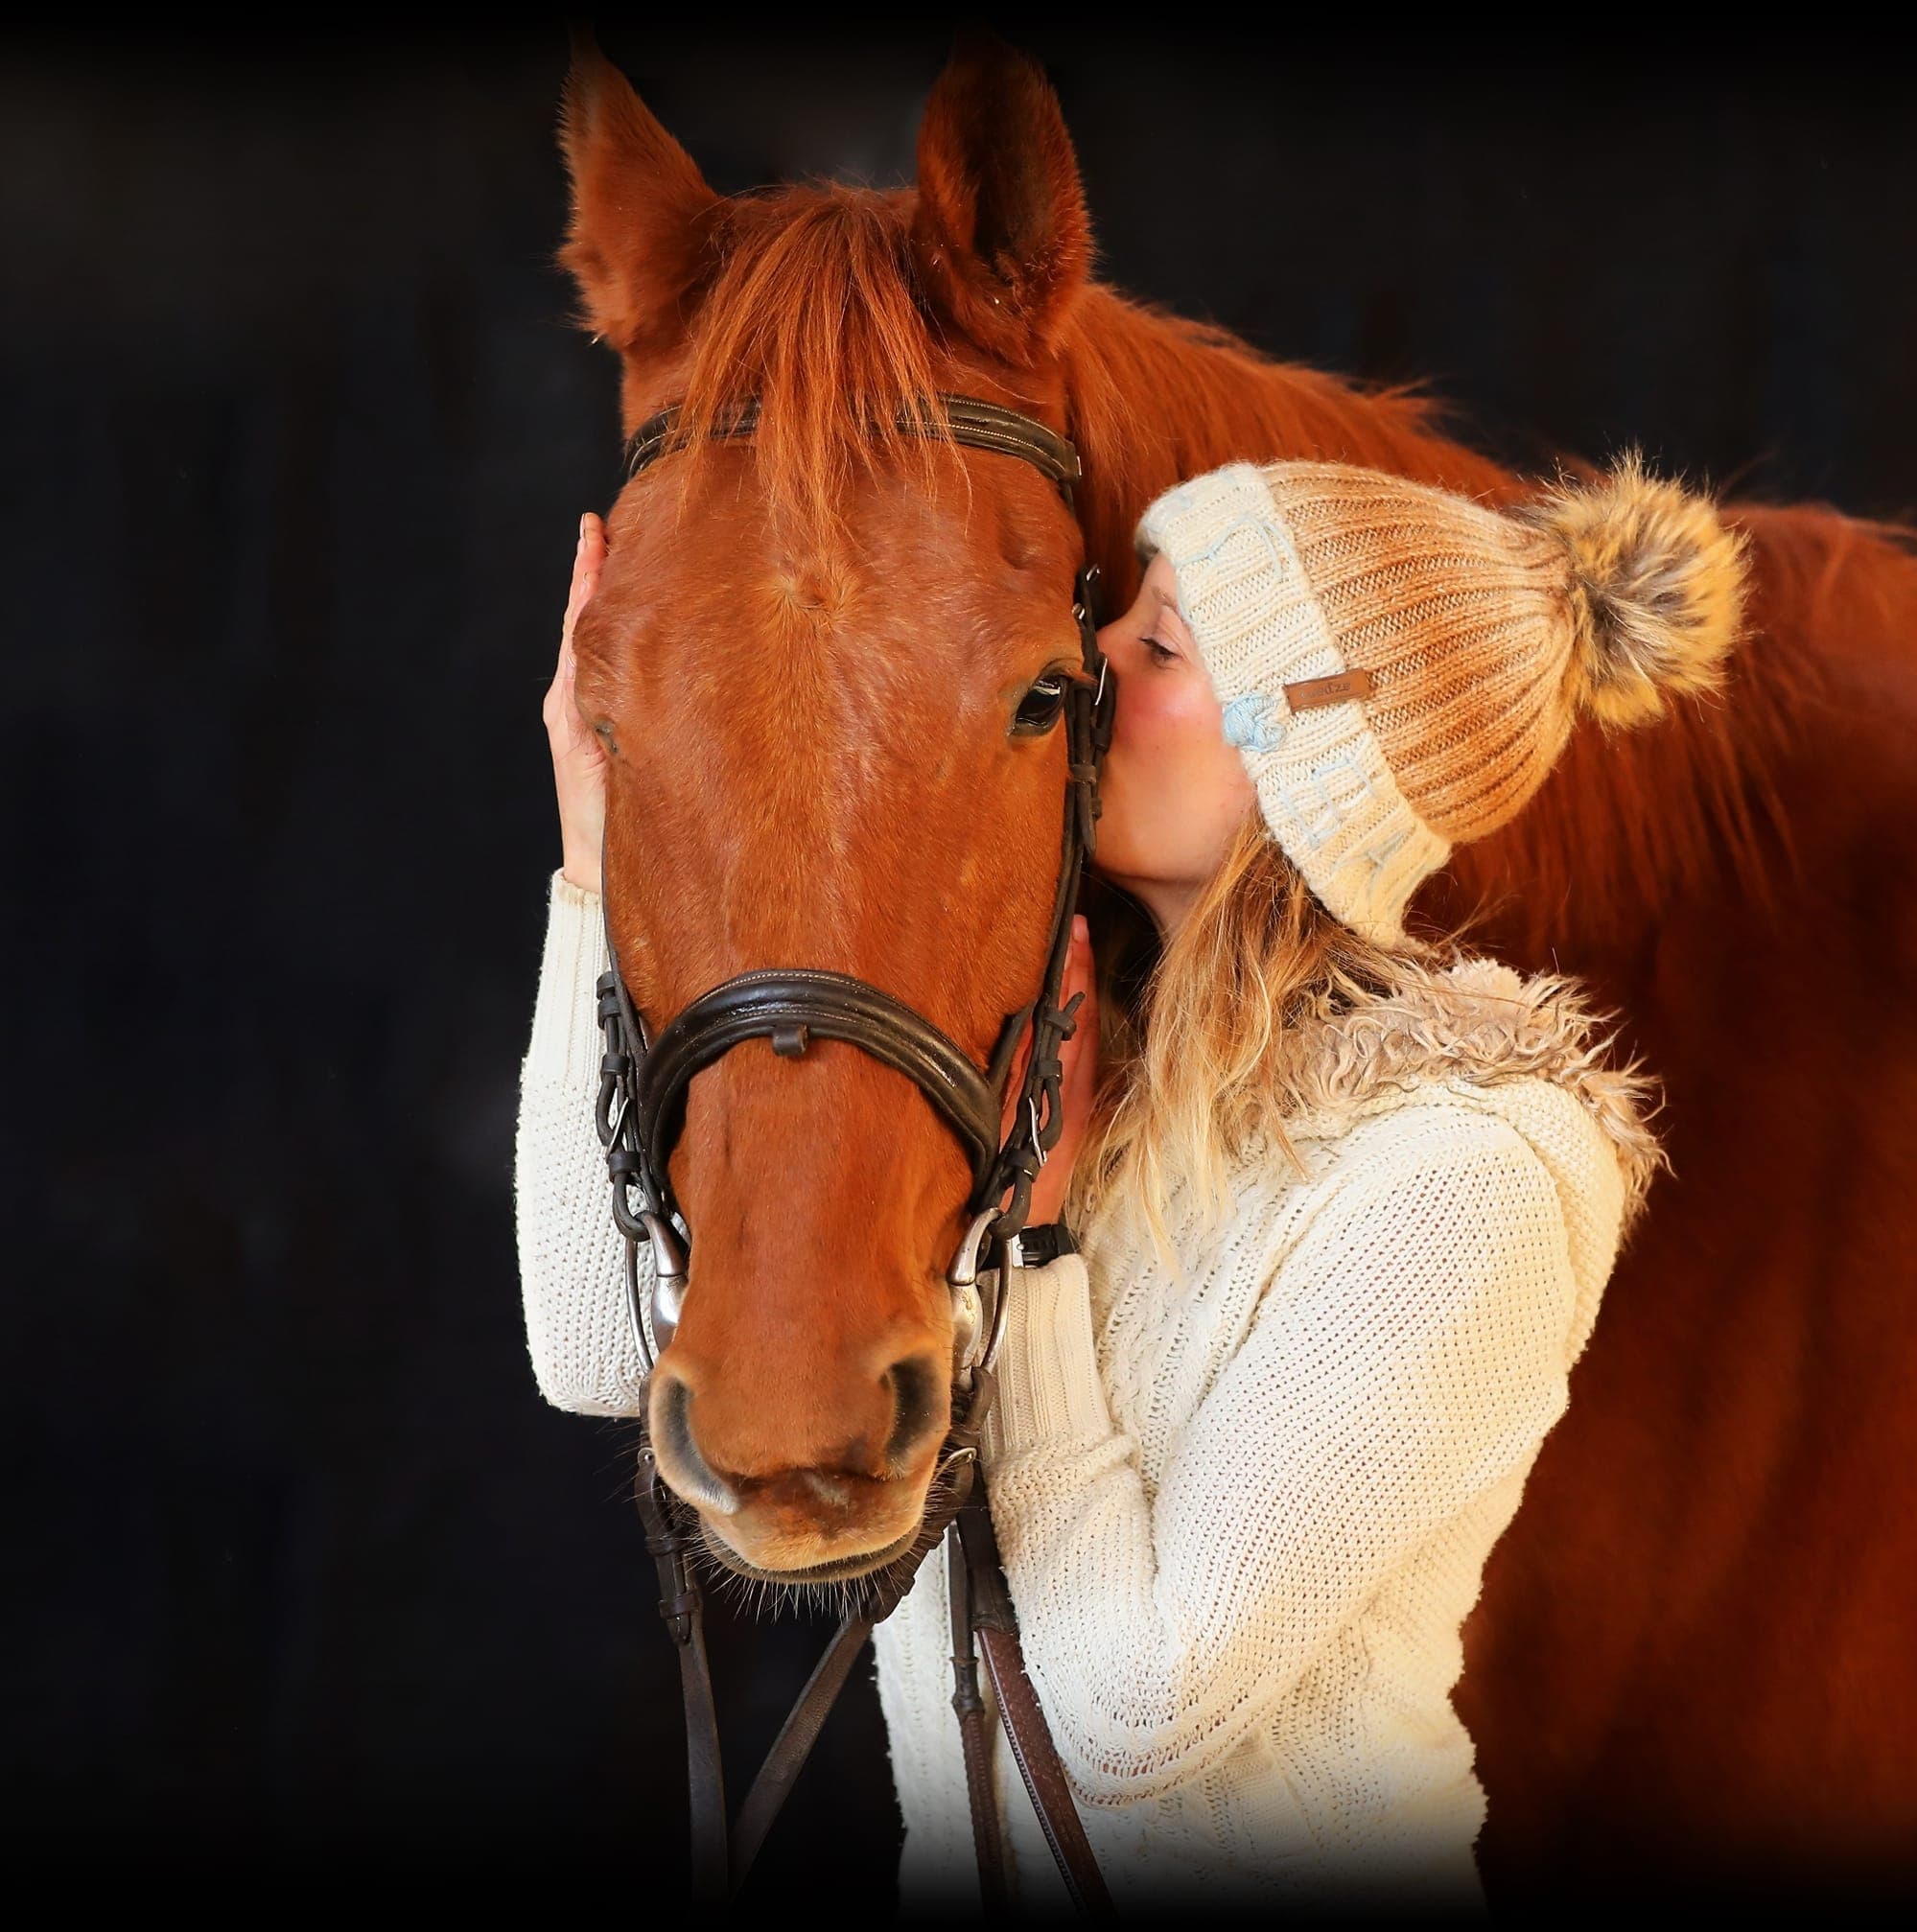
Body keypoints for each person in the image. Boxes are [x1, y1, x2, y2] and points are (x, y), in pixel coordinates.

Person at [516, 454, 1746, 1912]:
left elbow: (1134, 1718)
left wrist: (1035, 1261)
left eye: (1158, 643)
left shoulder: (1465, 1178)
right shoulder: (1049, 1066)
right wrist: (596, 860)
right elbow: (598, 1351)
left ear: (1311, 762)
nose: (1090, 660)